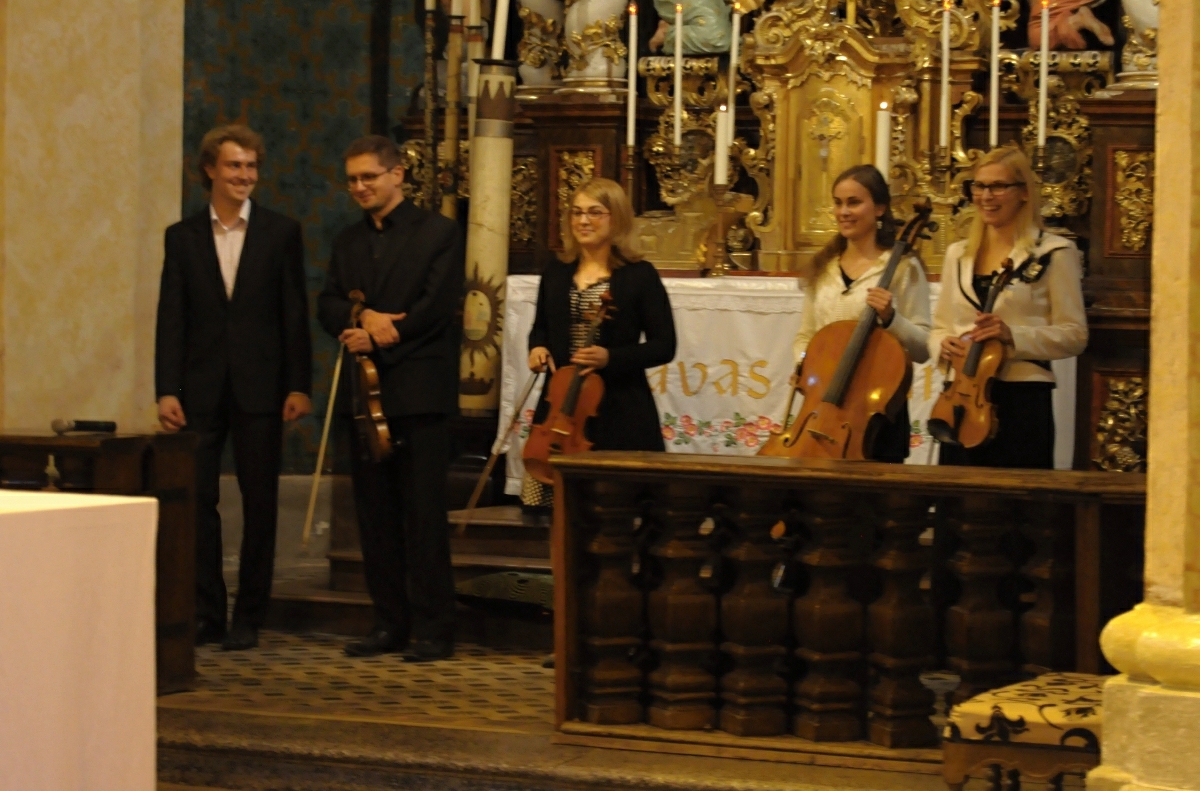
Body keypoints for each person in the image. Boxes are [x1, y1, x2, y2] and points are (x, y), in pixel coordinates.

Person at [155, 124, 313, 651]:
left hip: (261, 388)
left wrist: (298, 385)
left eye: (251, 166)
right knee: (198, 500)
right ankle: (207, 612)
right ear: (210, 170)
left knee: (260, 501)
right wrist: (167, 389)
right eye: (234, 165)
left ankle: (249, 615)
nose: (245, 175)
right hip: (199, 390)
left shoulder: (280, 232)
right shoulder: (181, 237)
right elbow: (171, 317)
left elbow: (294, 314)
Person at [317, 135, 463, 662]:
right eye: (352, 180)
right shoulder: (347, 241)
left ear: (397, 174)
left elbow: (438, 304)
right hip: (365, 396)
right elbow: (328, 303)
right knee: (375, 516)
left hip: (419, 393)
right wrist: (361, 318)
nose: (360, 187)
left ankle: (434, 628)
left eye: (369, 177)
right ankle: (388, 623)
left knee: (423, 517)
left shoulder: (439, 232)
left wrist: (382, 334)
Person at [521, 177, 677, 509]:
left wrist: (611, 358)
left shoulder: (640, 275)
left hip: (619, 406)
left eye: (595, 212)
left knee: (618, 508)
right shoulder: (557, 271)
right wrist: (537, 348)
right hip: (561, 405)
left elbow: (665, 345)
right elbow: (541, 328)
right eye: (577, 212)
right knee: (553, 511)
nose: (583, 221)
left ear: (616, 218)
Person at [931, 145, 1087, 469]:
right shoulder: (958, 254)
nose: (986, 196)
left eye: (998, 186)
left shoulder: (1054, 252)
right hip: (961, 395)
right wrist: (942, 344)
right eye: (979, 186)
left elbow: (1075, 335)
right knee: (956, 493)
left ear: (1024, 192)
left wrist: (1012, 336)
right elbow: (941, 326)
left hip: (1021, 398)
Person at [790, 164, 931, 463]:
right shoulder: (823, 267)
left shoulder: (903, 267)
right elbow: (806, 335)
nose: (843, 212)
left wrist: (892, 319)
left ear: (879, 208)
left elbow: (923, 348)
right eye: (838, 203)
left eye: (854, 202)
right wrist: (804, 364)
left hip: (876, 410)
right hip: (824, 402)